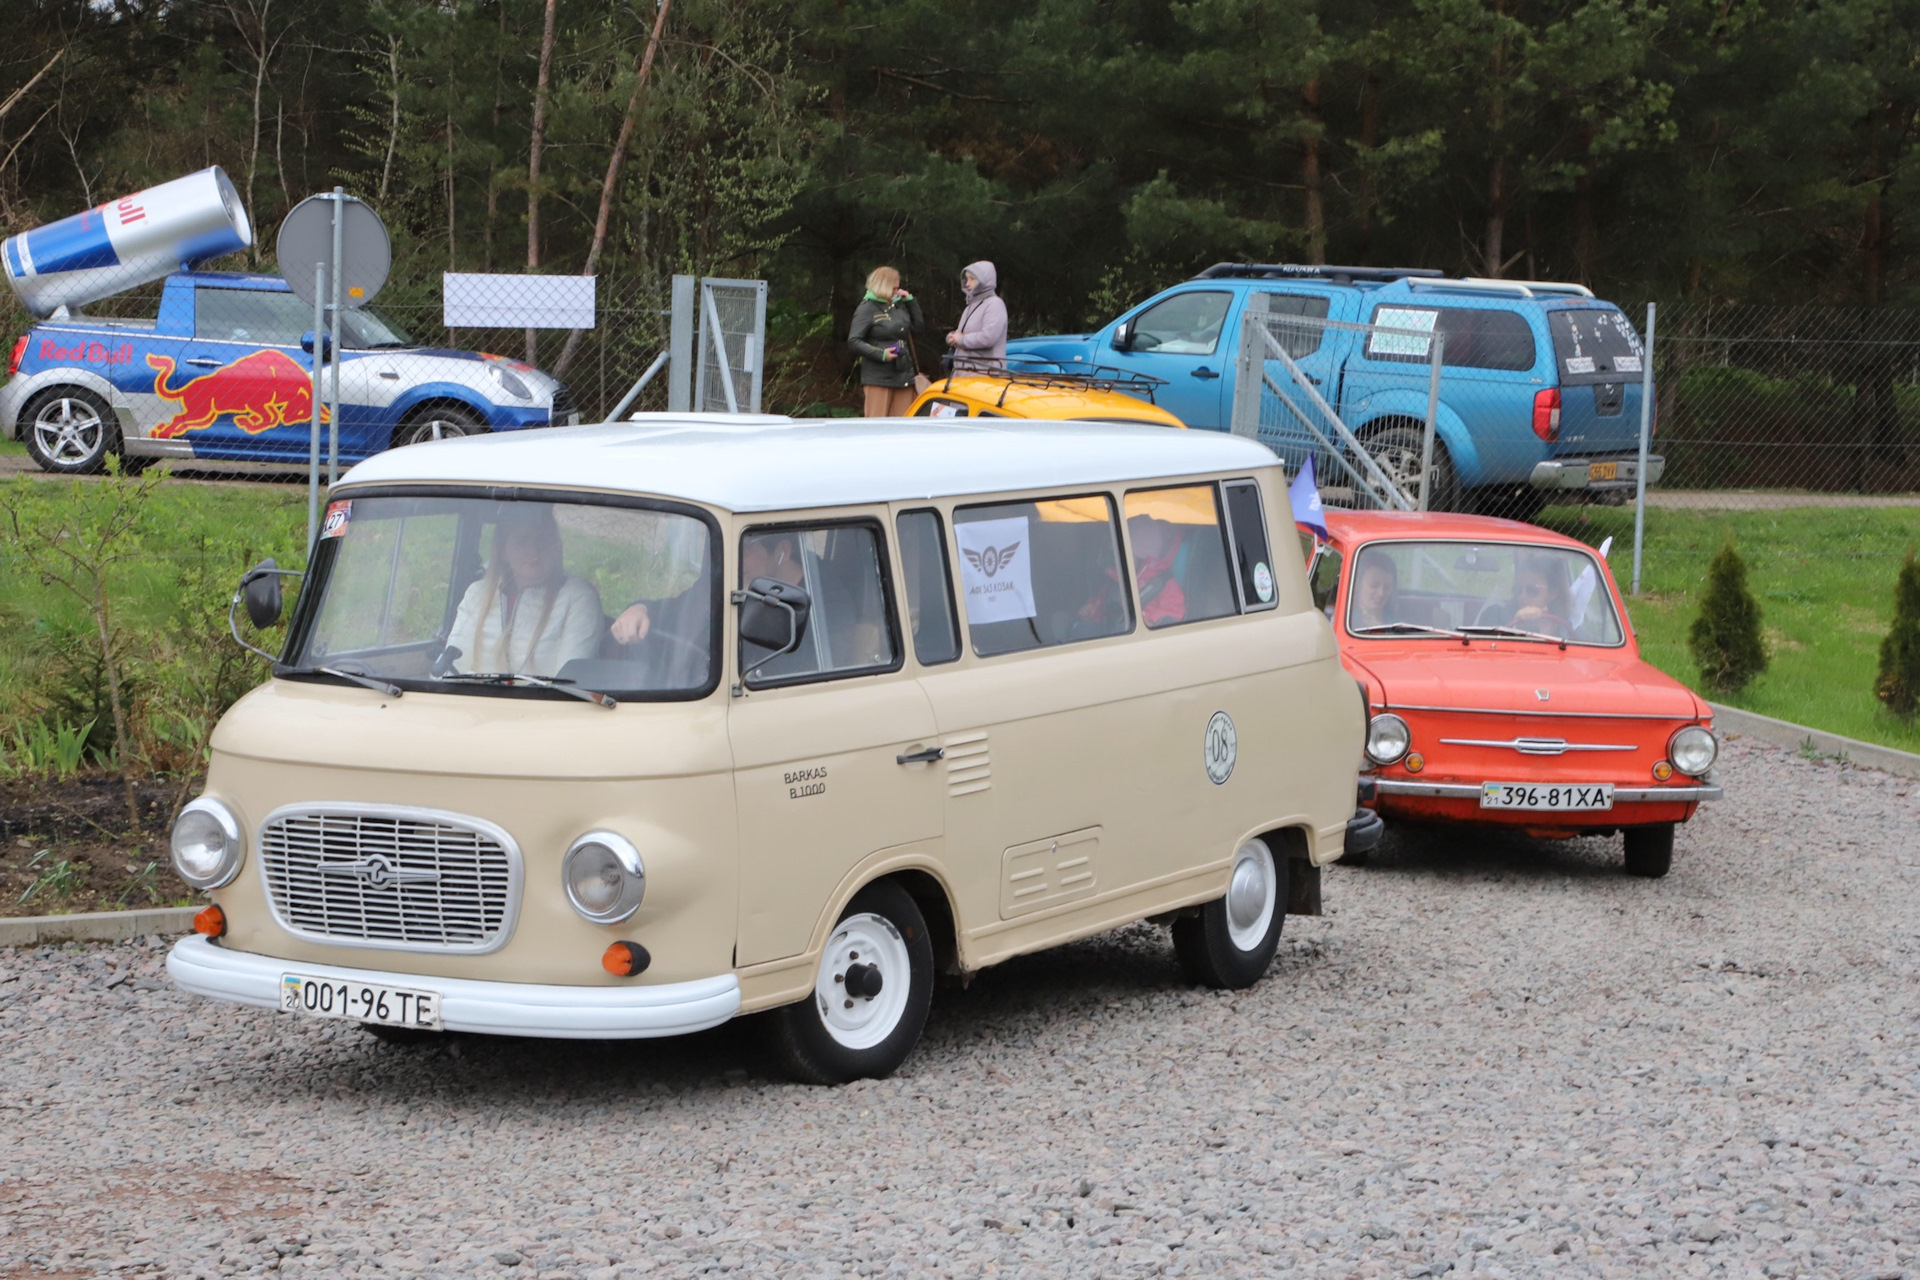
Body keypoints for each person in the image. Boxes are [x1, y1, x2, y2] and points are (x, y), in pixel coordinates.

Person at [446, 507, 604, 677]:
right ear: (503, 551)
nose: (533, 550)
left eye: (542, 541)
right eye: (521, 541)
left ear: (555, 547)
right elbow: (452, 668)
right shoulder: (477, 594)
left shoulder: (578, 597)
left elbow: (570, 682)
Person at [610, 532, 800, 645]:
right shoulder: (734, 579)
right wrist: (641, 610)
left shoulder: (821, 610)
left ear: (782, 551)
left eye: (745, 550)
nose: (733, 560)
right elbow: (680, 612)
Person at [847, 266, 924, 417]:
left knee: (903, 426)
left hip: (903, 375)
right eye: (894, 288)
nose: (897, 292)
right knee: (877, 425)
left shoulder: (897, 306)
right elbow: (854, 341)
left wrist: (910, 300)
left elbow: (918, 328)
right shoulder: (867, 308)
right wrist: (881, 354)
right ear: (883, 286)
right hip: (878, 378)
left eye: (898, 288)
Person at [946, 260, 1007, 371]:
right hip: (965, 374)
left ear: (985, 280)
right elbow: (962, 334)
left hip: (985, 376)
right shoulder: (971, 305)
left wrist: (960, 340)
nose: (967, 283)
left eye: (972, 279)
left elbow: (988, 337)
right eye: (967, 279)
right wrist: (952, 337)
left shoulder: (995, 304)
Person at [1511, 556, 1573, 636]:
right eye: (1518, 589)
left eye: (1532, 590)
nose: (1522, 596)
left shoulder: (1566, 628)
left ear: (1552, 592)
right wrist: (1516, 626)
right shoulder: (1499, 615)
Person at [1350, 557, 1400, 630]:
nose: (1381, 593)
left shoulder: (1395, 622)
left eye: (1387, 587)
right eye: (1374, 585)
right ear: (1358, 585)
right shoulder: (1346, 620)